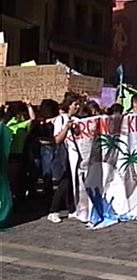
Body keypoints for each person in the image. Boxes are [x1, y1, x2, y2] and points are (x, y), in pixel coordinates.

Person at [47, 93, 80, 223]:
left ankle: (72, 209)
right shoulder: (60, 119)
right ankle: (53, 211)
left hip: (75, 154)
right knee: (64, 182)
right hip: (64, 154)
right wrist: (66, 128)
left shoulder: (77, 119)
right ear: (69, 105)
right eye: (75, 104)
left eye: (79, 104)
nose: (77, 107)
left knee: (72, 182)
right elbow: (57, 139)